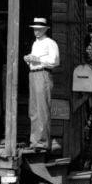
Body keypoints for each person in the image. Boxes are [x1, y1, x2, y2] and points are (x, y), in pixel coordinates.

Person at [23, 16, 60, 151]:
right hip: (33, 74)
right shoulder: (35, 43)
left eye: (39, 29)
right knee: (33, 110)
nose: (37, 32)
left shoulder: (50, 43)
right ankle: (35, 141)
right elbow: (35, 60)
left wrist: (37, 60)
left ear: (44, 29)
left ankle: (42, 143)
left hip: (43, 74)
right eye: (35, 29)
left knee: (42, 109)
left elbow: (55, 61)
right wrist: (28, 59)